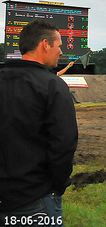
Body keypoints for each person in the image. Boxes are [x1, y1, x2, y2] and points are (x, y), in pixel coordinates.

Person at [0, 19, 78, 227]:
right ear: (45, 45)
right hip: (35, 198)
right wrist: (58, 185)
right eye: (59, 46)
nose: (61, 52)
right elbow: (64, 144)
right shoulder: (53, 86)